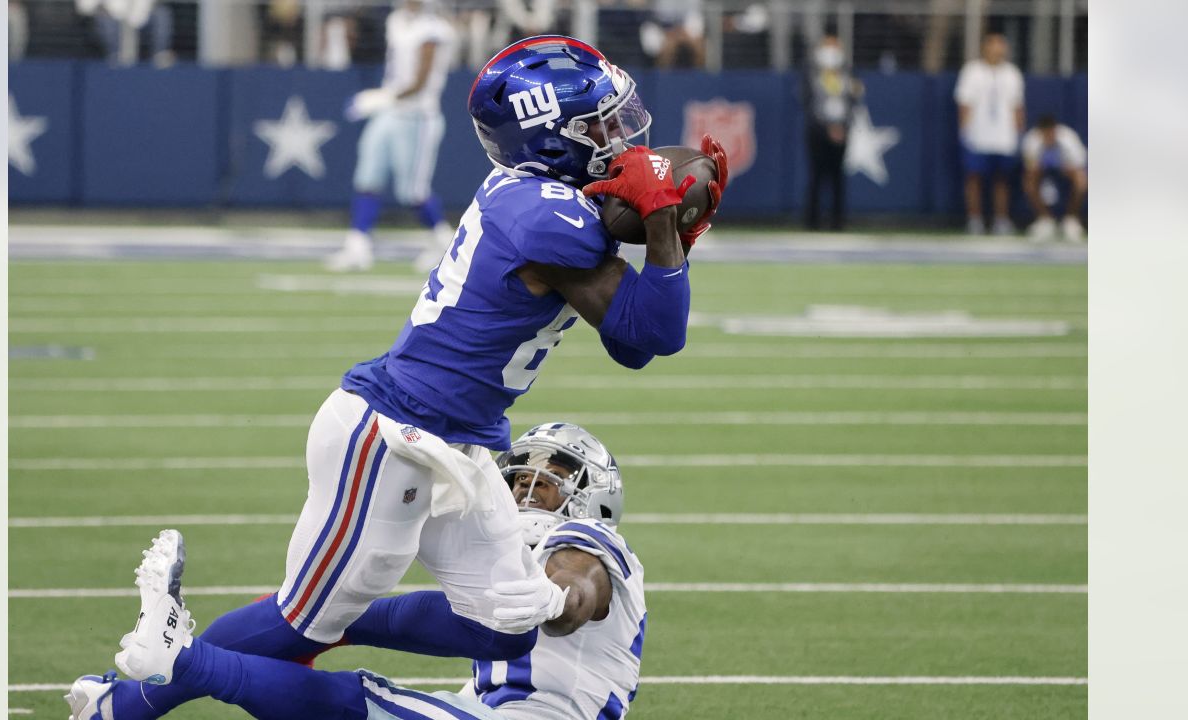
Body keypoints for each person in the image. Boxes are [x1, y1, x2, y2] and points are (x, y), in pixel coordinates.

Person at [64, 35, 726, 720]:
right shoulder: (542, 214)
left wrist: (667, 231)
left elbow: (644, 340)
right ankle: (142, 691)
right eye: (601, 125)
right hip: (392, 432)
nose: (621, 139)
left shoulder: (548, 205)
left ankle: (166, 682)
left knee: (505, 622)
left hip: (460, 442)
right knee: (300, 623)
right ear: (552, 136)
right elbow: (647, 307)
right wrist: (658, 213)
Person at [65, 423, 646, 720]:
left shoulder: (591, 542)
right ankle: (127, 704)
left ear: (590, 495)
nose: (524, 488)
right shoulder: (503, 561)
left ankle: (182, 659)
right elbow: (401, 618)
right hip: (485, 710)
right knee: (324, 615)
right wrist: (324, 620)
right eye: (519, 477)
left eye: (545, 479)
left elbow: (580, 587)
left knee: (357, 699)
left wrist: (554, 598)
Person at [325, 0, 458, 273]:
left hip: (418, 117)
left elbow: (420, 82)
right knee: (367, 176)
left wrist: (381, 98)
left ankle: (446, 244)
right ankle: (358, 246)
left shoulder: (434, 29)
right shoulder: (395, 20)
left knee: (412, 191)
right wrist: (386, 98)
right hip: (391, 112)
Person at [955, 31, 1024, 235]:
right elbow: (964, 103)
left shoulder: (1012, 73)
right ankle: (974, 219)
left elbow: (1017, 106)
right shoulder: (972, 71)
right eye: (993, 44)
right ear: (985, 47)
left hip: (1004, 136)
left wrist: (1018, 131)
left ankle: (1001, 220)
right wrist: (964, 131)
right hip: (978, 134)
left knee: (1002, 179)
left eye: (1000, 44)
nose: (997, 49)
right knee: (974, 177)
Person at [801, 32, 860, 231]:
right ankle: (813, 221)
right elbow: (808, 102)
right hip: (818, 131)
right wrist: (827, 127)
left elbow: (852, 101)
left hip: (842, 130)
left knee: (837, 177)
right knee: (817, 176)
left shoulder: (847, 72)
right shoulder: (812, 71)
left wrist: (843, 126)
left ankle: (838, 221)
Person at [1022, 114, 1087, 242]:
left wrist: (1066, 166)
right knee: (1029, 180)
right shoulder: (1031, 139)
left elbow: (1079, 165)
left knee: (1081, 181)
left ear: (1055, 130)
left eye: (1051, 133)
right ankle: (1045, 220)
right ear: (1040, 132)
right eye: (1045, 134)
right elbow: (1030, 167)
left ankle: (1071, 220)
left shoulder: (1068, 138)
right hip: (1043, 171)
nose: (1048, 137)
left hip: (1065, 170)